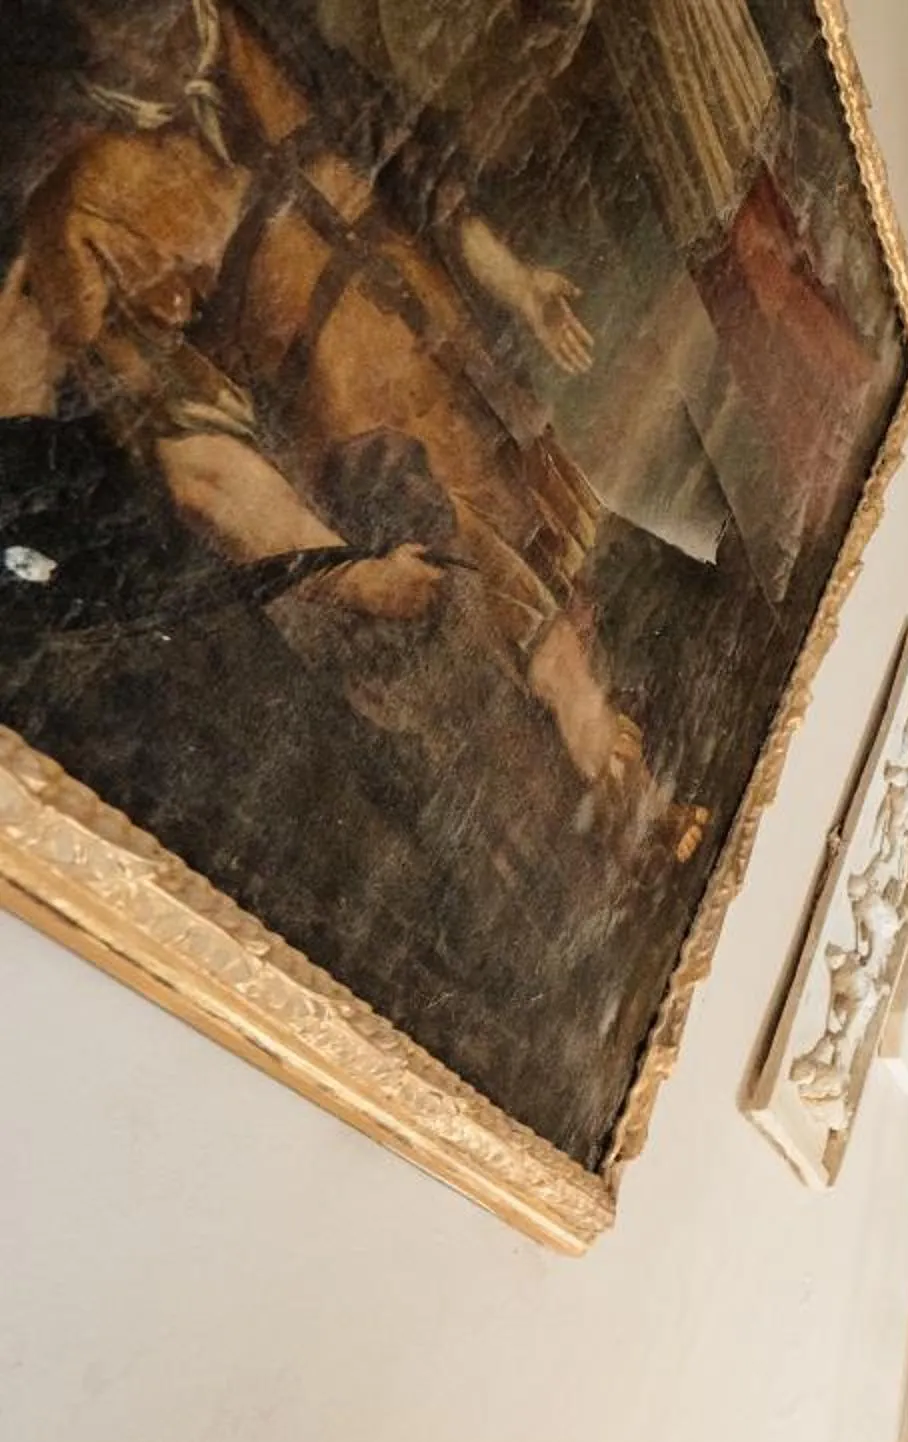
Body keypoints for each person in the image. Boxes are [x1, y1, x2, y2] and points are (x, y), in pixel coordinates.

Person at [15, 0, 702, 863]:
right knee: (485, 652)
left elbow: (409, 162)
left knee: (556, 571)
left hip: (446, 359)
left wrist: (515, 282)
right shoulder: (83, 201)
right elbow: (197, 454)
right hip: (349, 435)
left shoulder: (255, 30)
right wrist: (337, 569)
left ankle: (627, 779)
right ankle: (597, 812)